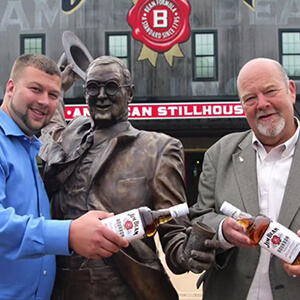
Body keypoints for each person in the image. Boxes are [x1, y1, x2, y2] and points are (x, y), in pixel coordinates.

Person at [39, 55, 219, 300]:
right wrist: (58, 89)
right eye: (93, 87)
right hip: (62, 291)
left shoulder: (158, 149)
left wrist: (186, 253)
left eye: (111, 86)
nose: (101, 95)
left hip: (126, 289)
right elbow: (50, 126)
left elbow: (173, 229)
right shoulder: (71, 138)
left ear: (130, 93)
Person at [0, 53, 130, 300]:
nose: (44, 102)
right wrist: (69, 234)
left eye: (53, 95)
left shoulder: (29, 146)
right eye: (35, 89)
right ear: (10, 87)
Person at [189, 57, 300, 300]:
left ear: (291, 91)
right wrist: (221, 230)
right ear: (242, 106)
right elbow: (200, 215)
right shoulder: (219, 153)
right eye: (250, 98)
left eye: (270, 91)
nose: (262, 104)